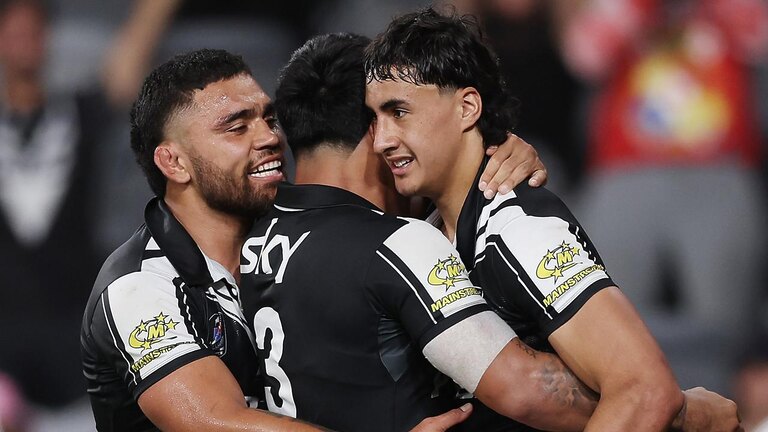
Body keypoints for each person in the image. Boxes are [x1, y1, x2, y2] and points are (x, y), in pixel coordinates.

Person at [80, 47, 547, 431]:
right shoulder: (139, 287)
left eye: (267, 118)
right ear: (174, 163)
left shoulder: (290, 219)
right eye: (236, 127)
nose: (268, 137)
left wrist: (492, 153)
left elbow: (403, 200)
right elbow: (216, 421)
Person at [365, 7, 742, 432]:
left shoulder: (520, 229)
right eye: (373, 119)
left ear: (468, 107)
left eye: (398, 113)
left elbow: (645, 391)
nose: (380, 140)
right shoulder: (431, 228)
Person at [240, 32, 599, 432]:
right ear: (374, 130)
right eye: (390, 112)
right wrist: (663, 404)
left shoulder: (247, 234)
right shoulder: (397, 242)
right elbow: (526, 391)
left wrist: (494, 145)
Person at [0, 0, 104, 417]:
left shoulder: (83, 112)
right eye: (13, 31)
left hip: (72, 322)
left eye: (33, 31)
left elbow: (126, 72)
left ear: (48, 40)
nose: (24, 41)